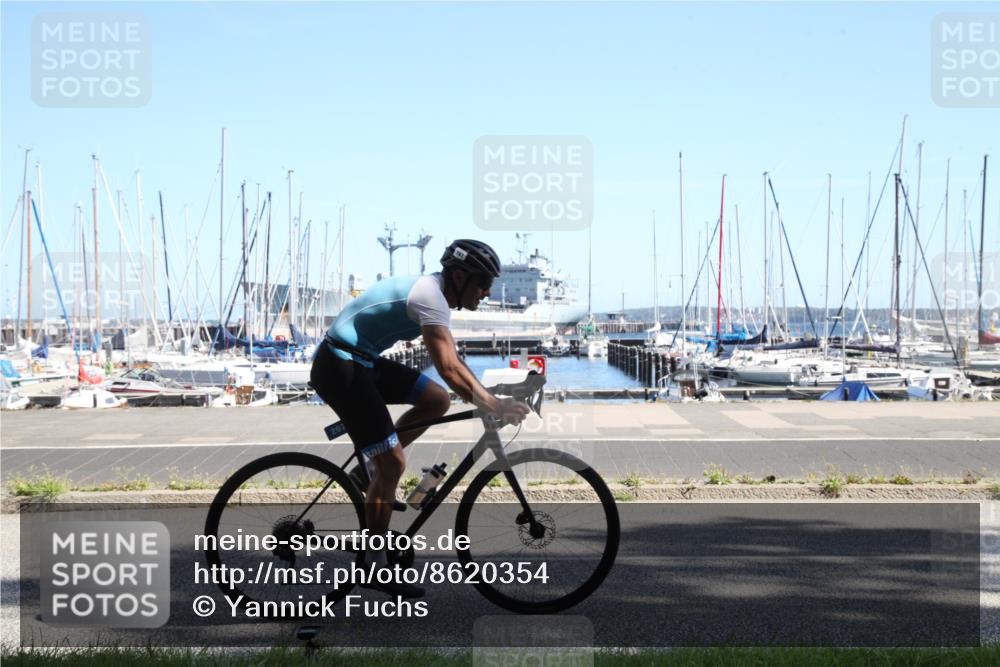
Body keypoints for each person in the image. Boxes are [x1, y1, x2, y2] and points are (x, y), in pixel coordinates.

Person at [310, 239, 530, 598]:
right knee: (393, 463)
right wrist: (496, 406)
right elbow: (448, 368)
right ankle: (376, 566)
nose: (487, 292)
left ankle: (368, 469)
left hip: (360, 360)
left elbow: (455, 367)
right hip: (339, 366)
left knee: (436, 399)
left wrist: (492, 398)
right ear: (459, 276)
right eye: (483, 283)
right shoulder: (430, 296)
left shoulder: (437, 296)